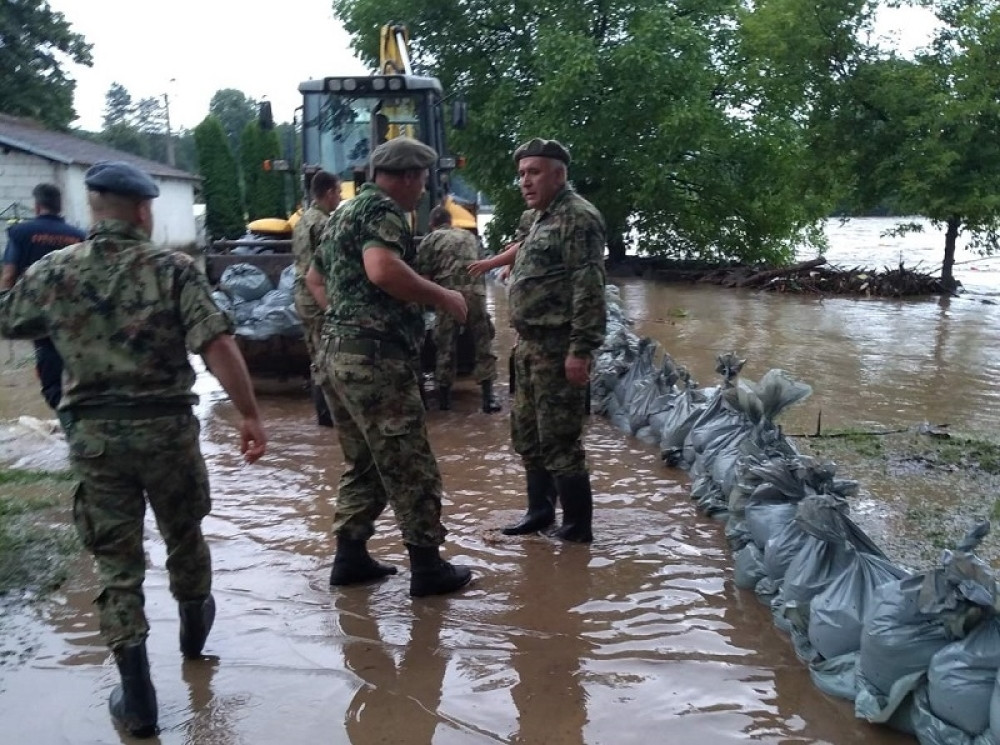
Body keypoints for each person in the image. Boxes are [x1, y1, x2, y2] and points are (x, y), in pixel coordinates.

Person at [0, 161, 268, 738]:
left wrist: (66, 319)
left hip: (96, 439)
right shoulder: (173, 270)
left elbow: (9, 321)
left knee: (117, 564)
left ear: (93, 209)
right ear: (144, 211)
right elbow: (217, 342)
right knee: (184, 535)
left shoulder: (53, 271)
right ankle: (193, 639)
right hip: (167, 432)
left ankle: (138, 697)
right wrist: (249, 413)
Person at [305, 137, 473, 597]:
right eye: (421, 180)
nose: (423, 190)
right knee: (409, 462)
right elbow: (381, 269)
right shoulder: (384, 210)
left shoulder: (342, 214)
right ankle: (428, 569)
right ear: (408, 177)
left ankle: (350, 558)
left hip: (336, 355)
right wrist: (444, 296)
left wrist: (345, 320)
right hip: (376, 360)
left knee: (365, 463)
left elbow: (314, 278)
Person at [501, 138, 607, 543]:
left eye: (534, 172)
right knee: (528, 436)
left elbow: (588, 287)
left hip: (558, 347)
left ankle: (577, 529)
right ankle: (539, 512)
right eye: (521, 174)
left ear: (559, 175)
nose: (525, 181)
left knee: (560, 439)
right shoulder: (536, 218)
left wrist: (580, 351)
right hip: (529, 347)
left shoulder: (579, 218)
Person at [1, 183, 87, 409]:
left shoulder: (21, 233)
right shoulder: (79, 236)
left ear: (37, 206)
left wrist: (7, 309)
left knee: (51, 378)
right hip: (76, 317)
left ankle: (61, 411)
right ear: (60, 206)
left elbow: (8, 275)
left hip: (39, 315)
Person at [416, 205, 501, 413]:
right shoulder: (469, 237)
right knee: (483, 345)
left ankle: (445, 402)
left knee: (445, 346)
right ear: (450, 221)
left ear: (432, 223)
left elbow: (424, 279)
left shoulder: (430, 239)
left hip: (449, 297)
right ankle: (488, 399)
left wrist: (425, 309)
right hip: (477, 294)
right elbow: (481, 266)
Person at [292, 169, 342, 427]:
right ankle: (329, 416)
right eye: (339, 192)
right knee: (329, 357)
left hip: (302, 296)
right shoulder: (323, 224)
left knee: (316, 356)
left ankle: (323, 417)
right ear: (329, 193)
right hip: (318, 297)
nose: (340, 197)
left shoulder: (302, 221)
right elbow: (332, 265)